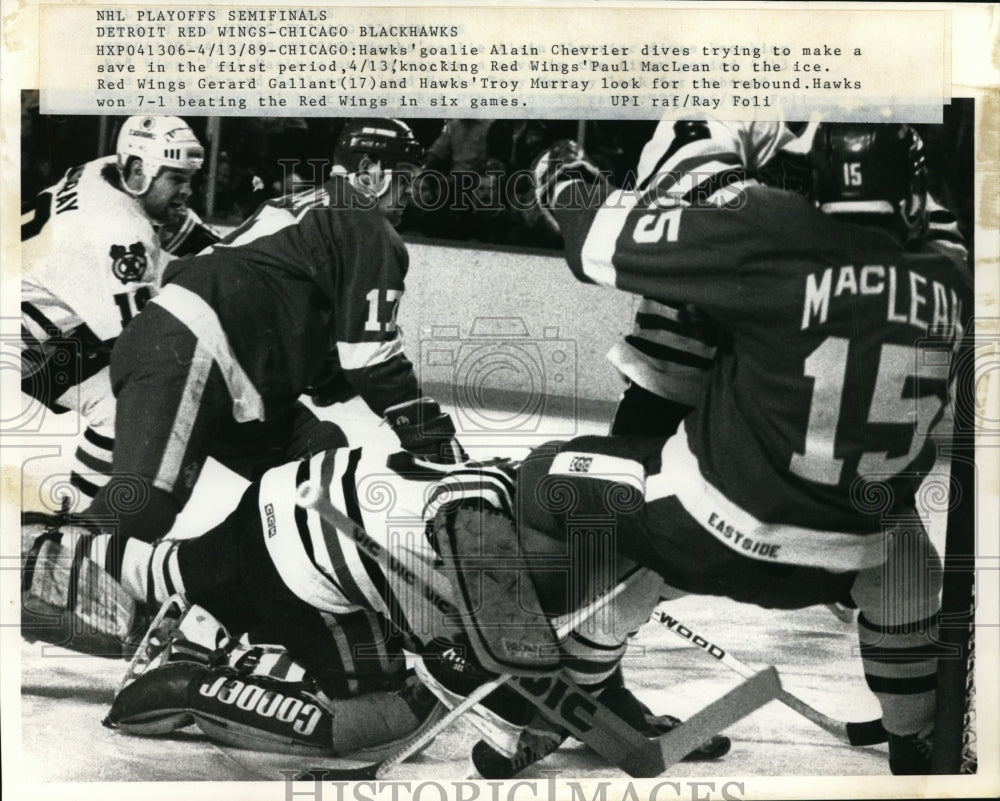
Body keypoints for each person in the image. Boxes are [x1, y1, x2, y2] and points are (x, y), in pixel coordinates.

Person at [510, 121, 971, 776]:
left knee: (549, 481)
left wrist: (561, 171)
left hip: (720, 511)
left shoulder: (773, 226)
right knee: (908, 566)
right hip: (850, 541)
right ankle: (919, 731)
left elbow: (601, 238)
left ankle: (552, 668)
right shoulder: (953, 269)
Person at [22, 119, 464, 654]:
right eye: (408, 176)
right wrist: (433, 438)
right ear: (371, 172)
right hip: (188, 351)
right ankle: (35, 568)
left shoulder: (301, 203)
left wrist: (317, 368)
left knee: (317, 465)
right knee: (147, 503)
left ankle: (254, 588)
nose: (413, 192)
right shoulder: (368, 226)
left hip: (222, 368)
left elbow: (242, 273)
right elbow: (370, 357)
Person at [93, 442, 727, 767]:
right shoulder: (648, 553)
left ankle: (206, 612)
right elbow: (559, 679)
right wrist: (544, 714)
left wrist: (605, 716)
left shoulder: (616, 478)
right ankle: (191, 684)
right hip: (309, 552)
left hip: (304, 493)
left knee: (175, 569)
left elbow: (564, 665)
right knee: (388, 717)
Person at [20, 115, 218, 511]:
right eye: (177, 179)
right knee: (126, 404)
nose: (188, 191)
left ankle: (70, 527)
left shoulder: (104, 168)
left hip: (29, 314)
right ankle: (69, 528)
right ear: (139, 171)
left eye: (190, 178)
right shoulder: (121, 232)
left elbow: (184, 232)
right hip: (19, 343)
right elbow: (146, 343)